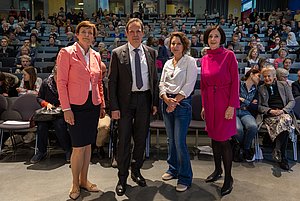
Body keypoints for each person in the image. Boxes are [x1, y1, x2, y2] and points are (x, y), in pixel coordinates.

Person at [108, 18, 159, 196]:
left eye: (139, 31)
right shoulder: (117, 53)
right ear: (127, 33)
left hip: (145, 100)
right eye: (132, 31)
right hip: (124, 104)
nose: (136, 34)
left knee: (140, 139)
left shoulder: (151, 52)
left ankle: (136, 171)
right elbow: (112, 83)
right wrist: (113, 107)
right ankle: (122, 177)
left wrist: (154, 103)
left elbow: (154, 79)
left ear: (143, 33)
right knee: (123, 142)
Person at [56, 21, 106, 200]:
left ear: (94, 36)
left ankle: (84, 180)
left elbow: (98, 83)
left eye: (90, 33)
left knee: (87, 146)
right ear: (77, 34)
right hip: (75, 107)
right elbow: (61, 83)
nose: (87, 35)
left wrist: (101, 104)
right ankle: (75, 183)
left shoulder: (96, 56)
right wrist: (66, 108)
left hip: (92, 106)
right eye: (83, 32)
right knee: (78, 147)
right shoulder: (66, 53)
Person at [200, 25, 239, 196]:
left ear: (221, 38)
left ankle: (228, 177)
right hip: (210, 102)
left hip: (225, 102)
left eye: (216, 36)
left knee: (224, 141)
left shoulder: (229, 55)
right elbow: (202, 85)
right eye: (210, 37)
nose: (213, 39)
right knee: (214, 139)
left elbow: (236, 82)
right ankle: (217, 170)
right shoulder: (205, 58)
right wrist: (203, 105)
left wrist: (232, 105)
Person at [159, 32, 197, 192]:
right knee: (170, 140)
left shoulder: (190, 61)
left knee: (179, 142)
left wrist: (175, 102)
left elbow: (189, 85)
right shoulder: (168, 63)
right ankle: (173, 169)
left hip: (182, 104)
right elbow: (161, 83)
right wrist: (166, 99)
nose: (175, 46)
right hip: (167, 102)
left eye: (178, 43)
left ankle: (185, 177)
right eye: (173, 43)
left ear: (184, 45)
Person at [257, 65, 299, 170]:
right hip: (270, 115)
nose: (267, 78)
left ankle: (278, 150)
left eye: (269, 76)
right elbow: (259, 106)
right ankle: (282, 157)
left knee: (286, 120)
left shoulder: (284, 85)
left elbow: (292, 101)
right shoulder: (261, 88)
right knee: (285, 126)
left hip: (283, 112)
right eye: (265, 76)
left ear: (274, 76)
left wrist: (283, 110)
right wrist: (270, 111)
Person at [30, 65, 72, 164]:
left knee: (60, 125)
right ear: (54, 74)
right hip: (48, 112)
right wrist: (46, 103)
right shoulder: (46, 83)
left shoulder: (68, 83)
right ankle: (41, 151)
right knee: (41, 126)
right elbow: (39, 98)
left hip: (61, 112)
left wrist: (65, 104)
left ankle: (67, 150)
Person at [234, 68, 260, 162]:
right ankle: (241, 148)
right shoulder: (239, 84)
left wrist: (243, 100)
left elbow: (255, 106)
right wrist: (249, 103)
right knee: (238, 129)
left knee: (253, 126)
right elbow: (234, 99)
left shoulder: (256, 89)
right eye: (258, 76)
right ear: (252, 74)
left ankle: (245, 148)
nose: (260, 79)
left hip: (246, 112)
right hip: (234, 111)